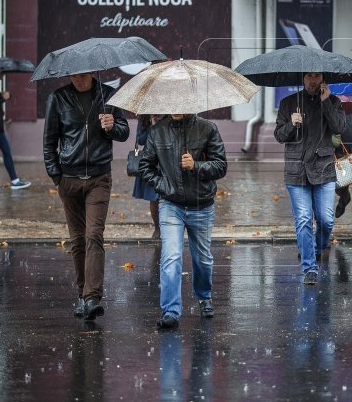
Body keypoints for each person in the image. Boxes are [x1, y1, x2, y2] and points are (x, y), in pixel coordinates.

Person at [43, 73, 129, 321]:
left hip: (99, 177)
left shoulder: (108, 95)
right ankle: (81, 294)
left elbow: (124, 132)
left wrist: (112, 126)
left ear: (91, 72)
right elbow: (49, 142)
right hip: (69, 179)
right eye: (73, 75)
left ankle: (92, 298)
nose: (77, 79)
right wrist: (56, 177)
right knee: (78, 239)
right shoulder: (58, 98)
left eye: (82, 75)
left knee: (94, 235)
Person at [139, 114, 227, 328]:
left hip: (202, 204)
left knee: (203, 259)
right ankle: (170, 310)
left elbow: (221, 166)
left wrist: (196, 165)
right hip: (171, 205)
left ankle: (204, 296)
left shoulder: (208, 128)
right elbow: (145, 167)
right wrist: (165, 186)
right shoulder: (158, 131)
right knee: (171, 257)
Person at [274, 72, 346, 285]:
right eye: (309, 77)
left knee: (326, 219)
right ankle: (309, 268)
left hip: (324, 169)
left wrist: (326, 103)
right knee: (304, 219)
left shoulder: (333, 102)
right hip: (297, 171)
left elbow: (340, 128)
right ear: (303, 78)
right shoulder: (289, 103)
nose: (313, 80)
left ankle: (316, 247)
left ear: (323, 79)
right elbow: (279, 135)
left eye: (317, 76)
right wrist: (291, 124)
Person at [132, 115, 161, 239]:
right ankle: (157, 228)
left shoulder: (168, 117)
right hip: (151, 162)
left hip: (166, 159)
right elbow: (141, 140)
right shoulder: (144, 119)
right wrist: (152, 125)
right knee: (153, 198)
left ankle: (170, 228)